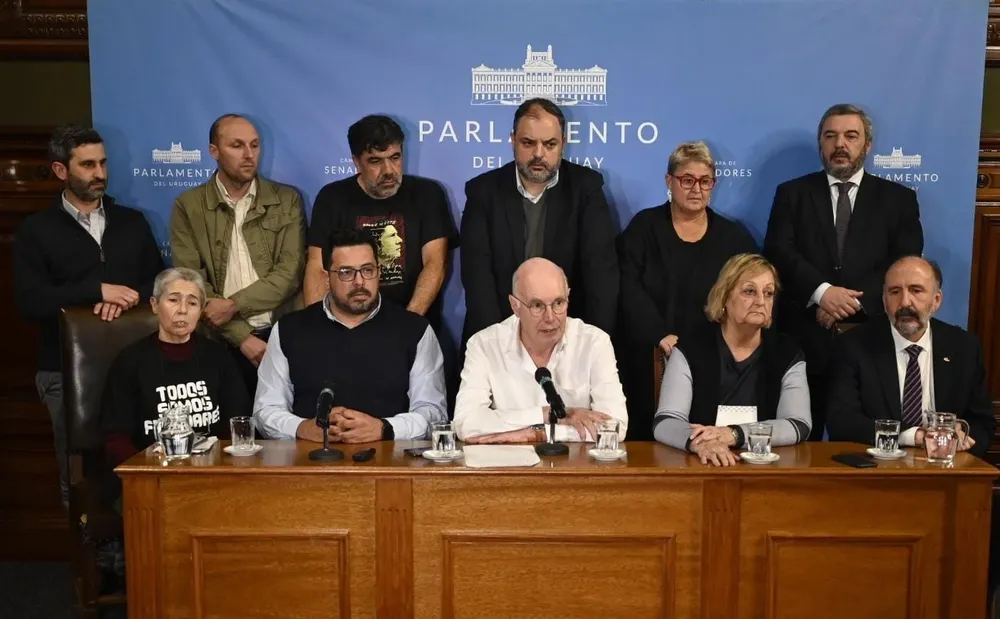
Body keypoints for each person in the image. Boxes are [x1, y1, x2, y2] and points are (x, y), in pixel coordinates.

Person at [13, 124, 164, 509]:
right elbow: (30, 301)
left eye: (103, 163)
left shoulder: (131, 221)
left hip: (136, 366)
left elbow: (159, 282)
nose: (100, 173)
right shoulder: (36, 230)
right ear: (61, 171)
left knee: (142, 469)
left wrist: (127, 298)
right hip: (63, 372)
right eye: (87, 165)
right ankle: (87, 565)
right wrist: (96, 291)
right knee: (79, 479)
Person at [763, 103, 923, 440]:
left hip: (871, 340)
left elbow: (904, 263)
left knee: (864, 440)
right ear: (820, 144)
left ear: (866, 145)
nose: (840, 144)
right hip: (804, 338)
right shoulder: (792, 194)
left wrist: (846, 304)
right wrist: (823, 294)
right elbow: (779, 253)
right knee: (799, 442)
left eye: (851, 136)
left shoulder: (899, 199)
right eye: (831, 136)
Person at [618, 141, 758, 439]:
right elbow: (627, 287)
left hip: (714, 360)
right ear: (669, 181)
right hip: (650, 356)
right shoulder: (644, 228)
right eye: (687, 180)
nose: (696, 189)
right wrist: (658, 334)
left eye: (705, 181)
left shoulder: (733, 238)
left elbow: (749, 294)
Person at [254, 228, 447, 442]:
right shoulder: (289, 330)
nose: (359, 282)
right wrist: (302, 428)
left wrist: (385, 429)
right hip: (310, 462)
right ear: (327, 277)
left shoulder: (415, 330)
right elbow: (266, 410)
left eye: (367, 270)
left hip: (389, 464)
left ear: (379, 272)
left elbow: (433, 413)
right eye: (346, 272)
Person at [460, 98, 619, 345]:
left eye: (549, 144)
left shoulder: (586, 189)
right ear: (512, 140)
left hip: (569, 337)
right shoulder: (483, 192)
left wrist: (589, 347)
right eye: (528, 143)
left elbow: (600, 277)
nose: (538, 154)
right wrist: (498, 349)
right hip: (498, 334)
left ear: (563, 144)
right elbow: (478, 280)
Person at [170, 113, 306, 395]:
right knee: (228, 429)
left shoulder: (287, 199)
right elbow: (192, 282)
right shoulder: (188, 206)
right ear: (214, 152)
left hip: (282, 335)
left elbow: (289, 273)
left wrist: (232, 305)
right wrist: (242, 337)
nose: (249, 155)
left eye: (254, 145)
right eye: (237, 146)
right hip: (220, 339)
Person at [826, 256, 995, 457]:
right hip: (878, 469)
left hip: (945, 468)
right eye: (895, 292)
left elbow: (983, 424)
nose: (905, 302)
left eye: (916, 290)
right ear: (884, 300)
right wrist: (915, 436)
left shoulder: (964, 347)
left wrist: (962, 434)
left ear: (936, 301)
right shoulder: (852, 346)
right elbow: (842, 422)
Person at [653, 254, 812, 466]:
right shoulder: (690, 349)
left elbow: (798, 424)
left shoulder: (788, 354)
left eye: (768, 293)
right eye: (749, 291)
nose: (760, 302)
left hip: (766, 469)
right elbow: (665, 422)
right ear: (724, 297)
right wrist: (699, 443)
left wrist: (734, 435)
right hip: (701, 465)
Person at [304, 115, 457, 329]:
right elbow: (317, 268)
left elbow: (435, 264)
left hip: (413, 322)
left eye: (395, 157)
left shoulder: (427, 195)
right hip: (347, 327)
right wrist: (320, 329)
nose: (389, 171)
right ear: (356, 162)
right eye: (375, 161)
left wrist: (407, 325)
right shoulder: (332, 198)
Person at [454, 258, 627, 443]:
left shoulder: (594, 342)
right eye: (537, 306)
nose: (551, 317)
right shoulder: (484, 345)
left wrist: (536, 434)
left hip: (574, 467)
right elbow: (466, 423)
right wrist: (545, 415)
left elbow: (615, 427)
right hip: (508, 468)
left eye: (559, 303)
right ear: (515, 306)